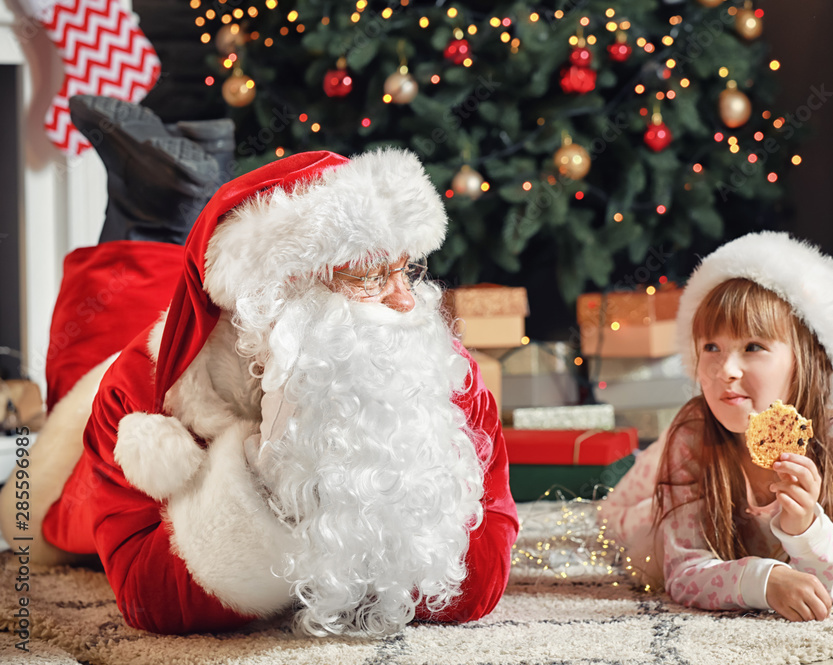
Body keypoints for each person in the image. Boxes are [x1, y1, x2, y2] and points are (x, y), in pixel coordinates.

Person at [0, 103, 519, 636]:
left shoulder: (429, 366)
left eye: (406, 268)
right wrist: (262, 475)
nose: (405, 302)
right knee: (44, 511)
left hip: (246, 326)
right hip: (112, 395)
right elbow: (146, 598)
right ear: (282, 292)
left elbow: (475, 585)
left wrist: (376, 489)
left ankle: (176, 197)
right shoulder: (139, 391)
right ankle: (150, 201)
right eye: (367, 275)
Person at [598, 231, 833, 622]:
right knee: (622, 524)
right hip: (658, 492)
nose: (725, 370)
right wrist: (765, 580)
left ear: (809, 357)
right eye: (711, 347)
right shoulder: (695, 430)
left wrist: (806, 529)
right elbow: (682, 572)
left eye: (753, 347)